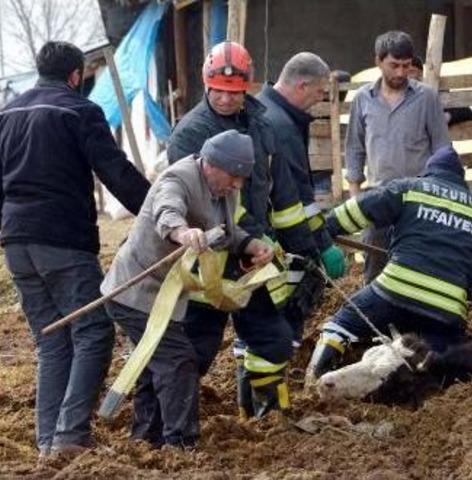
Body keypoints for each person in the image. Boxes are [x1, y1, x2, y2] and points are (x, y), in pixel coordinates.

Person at [0, 41, 151, 457]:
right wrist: (156, 208)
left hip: (16, 242)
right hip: (63, 239)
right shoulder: (79, 110)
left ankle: (48, 441)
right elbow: (115, 171)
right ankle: (69, 437)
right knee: (94, 330)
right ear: (75, 76)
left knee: (52, 340)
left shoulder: (6, 115)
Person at [102, 130, 273, 449]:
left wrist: (250, 244)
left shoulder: (222, 188)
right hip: (135, 293)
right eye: (234, 176)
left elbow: (225, 232)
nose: (237, 185)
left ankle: (146, 439)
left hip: (166, 297)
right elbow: (166, 212)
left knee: (156, 364)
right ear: (212, 164)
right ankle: (180, 444)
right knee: (178, 361)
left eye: (242, 179)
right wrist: (182, 233)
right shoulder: (177, 179)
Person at [167, 41, 299, 418]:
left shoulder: (262, 124)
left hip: (250, 263)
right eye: (218, 91)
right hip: (208, 264)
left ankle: (270, 418)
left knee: (273, 341)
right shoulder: (189, 134)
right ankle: (170, 424)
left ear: (248, 88)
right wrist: (249, 240)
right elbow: (200, 205)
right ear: (206, 85)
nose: (225, 99)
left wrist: (308, 243)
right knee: (196, 351)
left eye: (234, 92)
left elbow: (282, 191)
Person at [305, 146, 472, 383]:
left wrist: (324, 231)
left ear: (429, 172)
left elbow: (356, 210)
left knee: (342, 323)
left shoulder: (410, 188)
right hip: (446, 311)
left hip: (396, 290)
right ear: (460, 179)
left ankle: (314, 378)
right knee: (438, 360)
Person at [345, 30, 452, 284]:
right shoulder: (363, 99)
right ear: (378, 61)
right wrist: (356, 198)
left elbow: (442, 150)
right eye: (394, 65)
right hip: (378, 198)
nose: (401, 73)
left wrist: (442, 196)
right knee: (375, 266)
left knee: (421, 267)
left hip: (419, 199)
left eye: (406, 65)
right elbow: (354, 149)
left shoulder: (426, 98)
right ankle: (375, 309)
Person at [257, 51, 347, 343]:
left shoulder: (265, 109)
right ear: (302, 85)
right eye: (320, 91)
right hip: (282, 241)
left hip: (263, 238)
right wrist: (321, 247)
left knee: (257, 328)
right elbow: (297, 198)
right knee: (285, 318)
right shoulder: (281, 126)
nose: (320, 99)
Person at [407, 55, 472, 126]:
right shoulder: (400, 95)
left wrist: (446, 117)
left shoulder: (435, 91)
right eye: (406, 72)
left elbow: (468, 112)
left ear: (420, 73)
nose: (408, 76)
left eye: (411, 72)